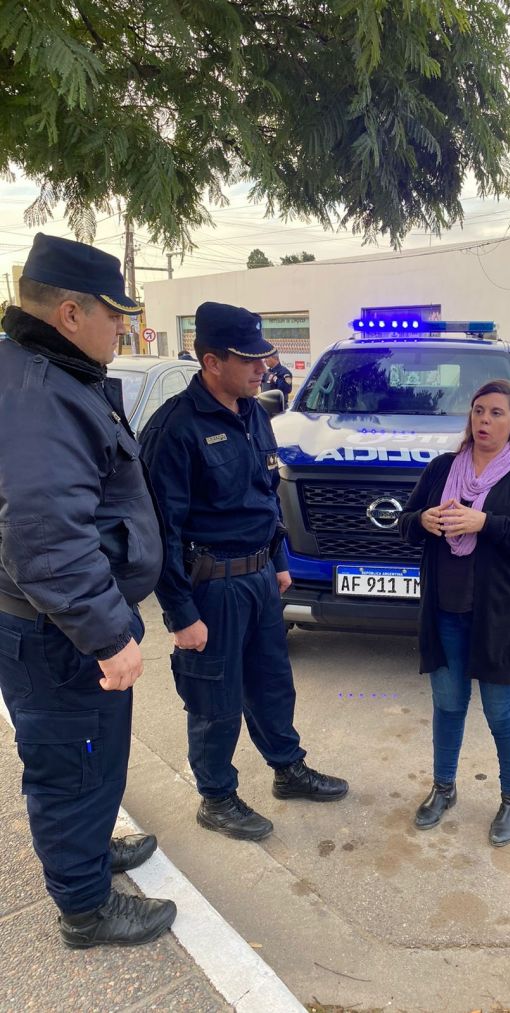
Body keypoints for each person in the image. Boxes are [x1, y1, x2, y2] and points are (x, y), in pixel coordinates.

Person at [0, 234, 176, 948]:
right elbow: (43, 536)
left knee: (91, 755)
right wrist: (106, 634)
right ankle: (85, 908)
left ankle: (90, 847)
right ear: (70, 314)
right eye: (114, 314)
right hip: (61, 630)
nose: (123, 328)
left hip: (62, 622)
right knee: (71, 764)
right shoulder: (41, 392)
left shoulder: (47, 373)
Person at [140, 301, 347, 842]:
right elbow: (161, 531)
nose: (263, 367)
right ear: (211, 361)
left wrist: (278, 562)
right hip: (212, 587)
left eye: (264, 357)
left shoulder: (254, 413)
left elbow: (265, 494)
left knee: (272, 684)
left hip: (258, 577)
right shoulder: (176, 429)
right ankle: (216, 797)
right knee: (215, 700)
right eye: (249, 359)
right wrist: (180, 614)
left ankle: (287, 768)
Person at [399, 380, 510, 844]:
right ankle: (443, 788)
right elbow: (405, 524)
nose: (484, 420)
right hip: (445, 611)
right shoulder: (442, 468)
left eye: (496, 413)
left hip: (500, 616)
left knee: (501, 711)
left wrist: (485, 523)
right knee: (448, 705)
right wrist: (423, 520)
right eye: (478, 410)